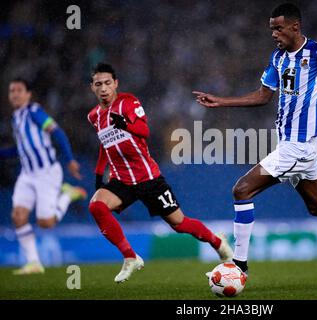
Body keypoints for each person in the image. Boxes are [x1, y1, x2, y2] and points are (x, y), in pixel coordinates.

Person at [193, 3, 317, 275]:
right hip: (291, 145)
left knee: (241, 190)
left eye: (278, 28)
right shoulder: (278, 58)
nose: (274, 34)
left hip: (299, 146)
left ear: (295, 27)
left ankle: (239, 265)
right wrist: (221, 101)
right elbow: (263, 96)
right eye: (271, 29)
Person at [87, 63, 232, 283]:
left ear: (115, 84)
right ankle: (130, 257)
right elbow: (104, 145)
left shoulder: (128, 102)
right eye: (99, 84)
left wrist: (125, 124)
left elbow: (144, 131)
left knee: (179, 223)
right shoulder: (94, 116)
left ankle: (217, 242)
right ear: (93, 88)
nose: (104, 88)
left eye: (108, 83)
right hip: (121, 180)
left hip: (148, 178)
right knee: (96, 205)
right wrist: (99, 176)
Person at [0, 78, 86, 275]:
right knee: (18, 215)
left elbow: (57, 133)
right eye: (11, 90)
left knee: (45, 223)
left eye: (19, 90)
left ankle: (67, 195)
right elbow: (22, 149)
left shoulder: (34, 112)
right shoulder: (16, 118)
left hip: (47, 173)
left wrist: (70, 160)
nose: (14, 94)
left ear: (28, 94)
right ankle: (34, 263)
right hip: (27, 174)